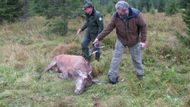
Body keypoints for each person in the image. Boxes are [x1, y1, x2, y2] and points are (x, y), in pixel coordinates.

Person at [93, 1, 147, 84]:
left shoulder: (136, 14)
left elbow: (143, 26)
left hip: (134, 40)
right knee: (116, 58)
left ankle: (140, 75)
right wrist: (98, 38)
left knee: (136, 59)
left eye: (122, 11)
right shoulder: (116, 16)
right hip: (121, 39)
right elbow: (109, 28)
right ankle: (112, 77)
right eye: (118, 10)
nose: (119, 12)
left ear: (126, 9)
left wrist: (143, 41)